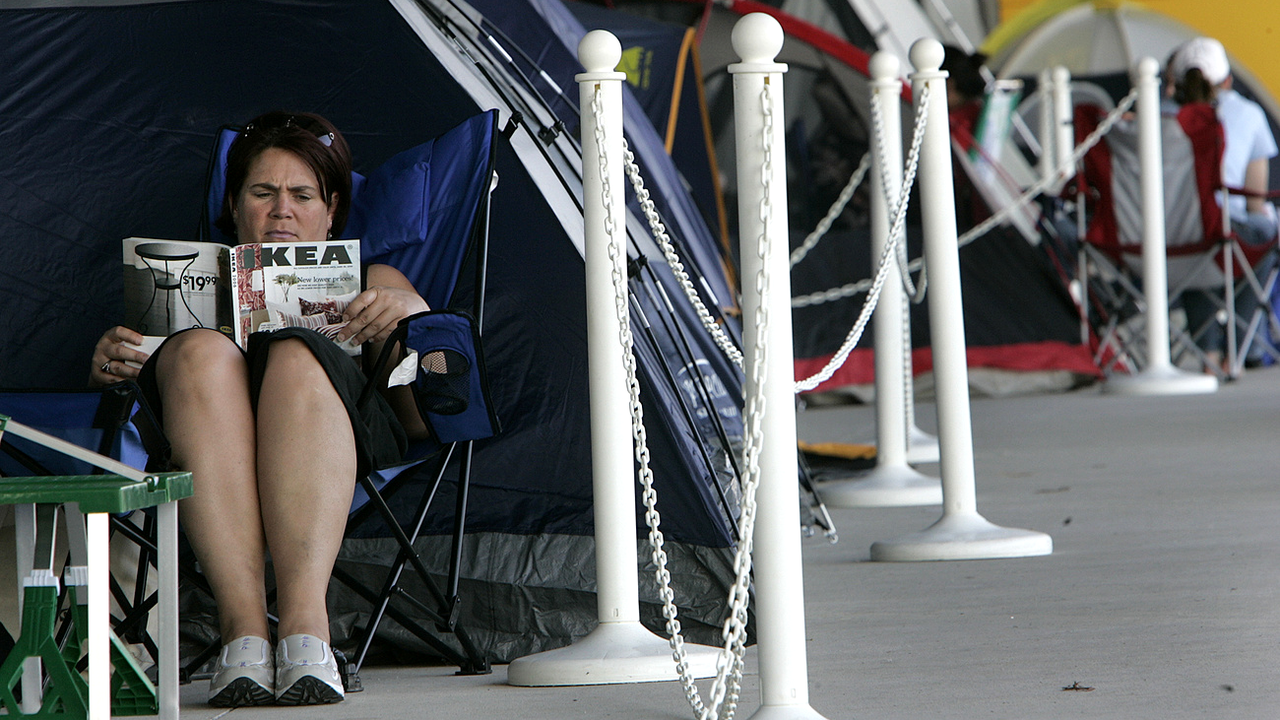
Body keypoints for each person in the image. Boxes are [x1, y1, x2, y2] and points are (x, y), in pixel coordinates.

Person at [89, 111, 430, 706]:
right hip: (211, 435)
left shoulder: (375, 276)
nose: (281, 211)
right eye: (262, 192)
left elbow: (433, 407)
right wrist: (115, 361)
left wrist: (410, 318)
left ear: (331, 211)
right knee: (195, 349)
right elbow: (133, 390)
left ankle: (306, 632)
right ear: (235, 202)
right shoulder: (198, 280)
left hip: (328, 434)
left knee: (299, 354)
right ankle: (243, 634)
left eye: (302, 195)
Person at [1169, 38, 1278, 367]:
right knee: (1260, 231)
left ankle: (1208, 351)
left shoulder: (1155, 119)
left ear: (1174, 83)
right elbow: (1255, 201)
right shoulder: (1247, 113)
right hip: (1220, 232)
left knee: (1191, 234)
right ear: (1227, 81)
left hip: (1156, 243)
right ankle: (1241, 346)